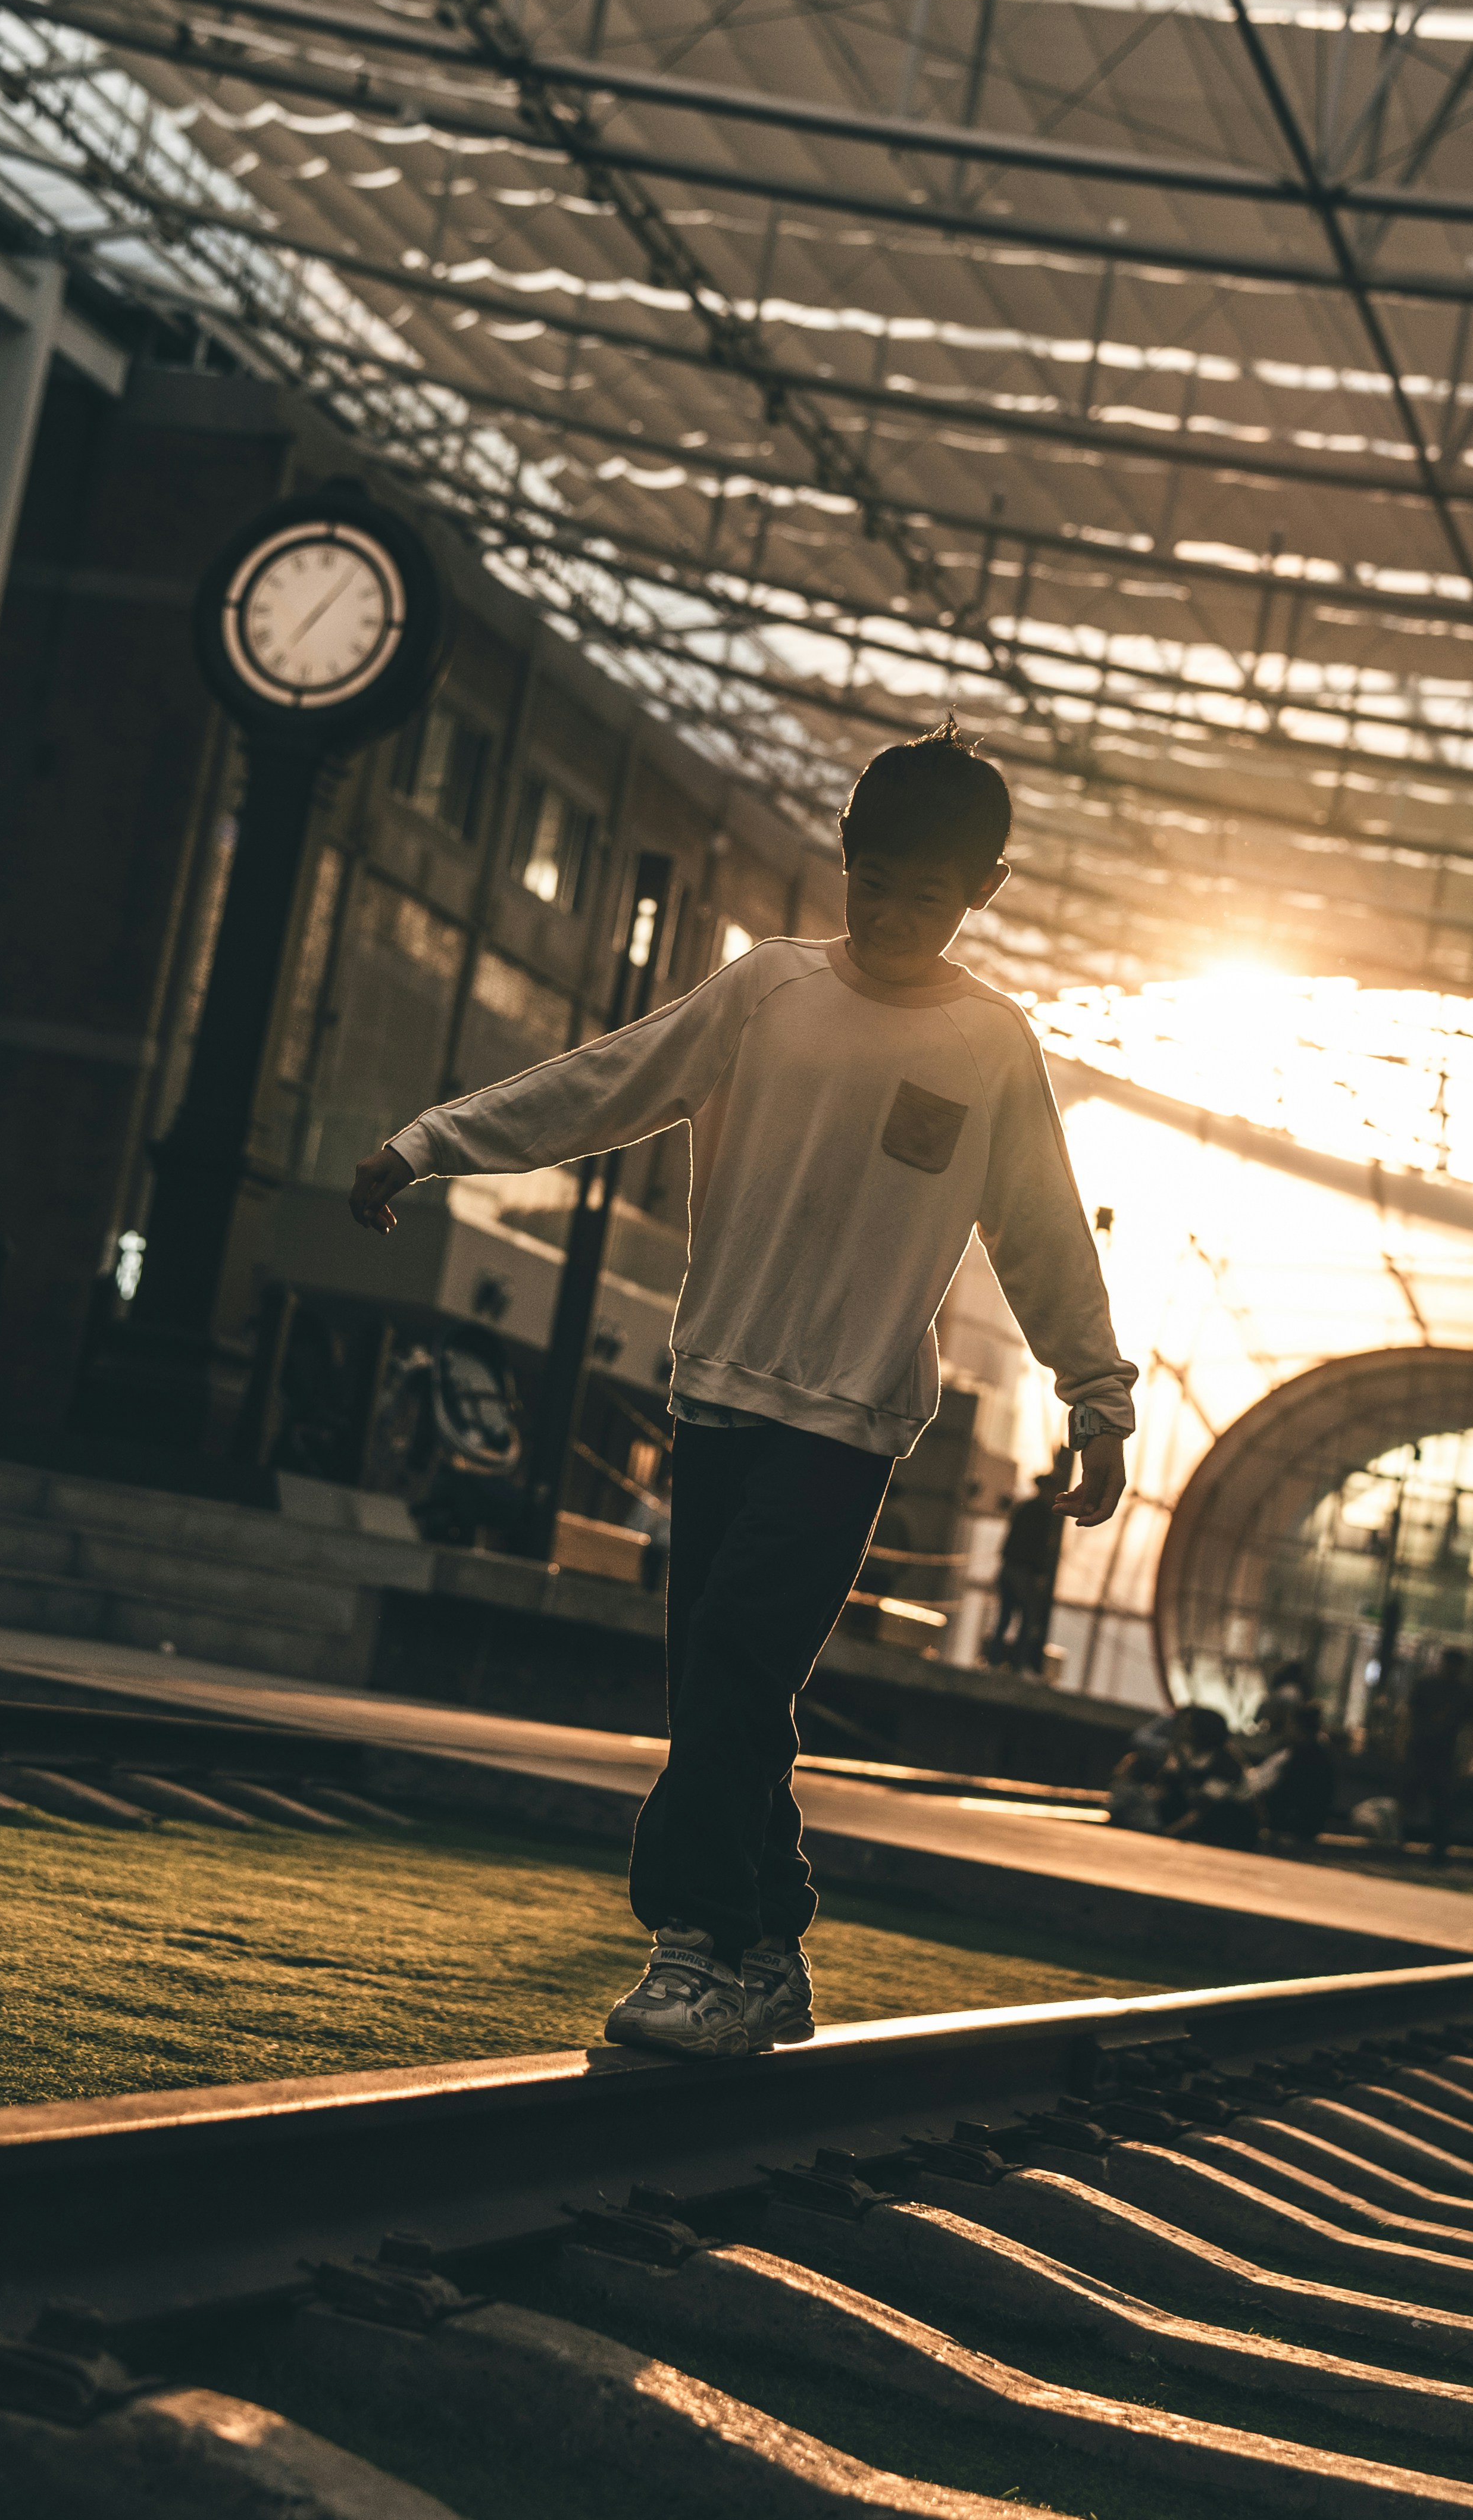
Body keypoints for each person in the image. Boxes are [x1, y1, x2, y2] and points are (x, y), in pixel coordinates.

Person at [349, 719, 1136, 2056]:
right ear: (841, 854)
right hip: (714, 1396)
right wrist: (429, 1144)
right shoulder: (764, 988)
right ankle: (767, 1947)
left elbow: (1042, 1231)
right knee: (729, 1694)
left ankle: (691, 1942)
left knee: (727, 1665)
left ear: (981, 896)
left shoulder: (991, 1043)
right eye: (870, 879)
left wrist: (1096, 1396)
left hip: (847, 1423)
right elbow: (604, 1085)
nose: (891, 914)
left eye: (926, 895)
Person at [1402, 1647, 1473, 1865]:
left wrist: (1468, 1757)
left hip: (1441, 1753)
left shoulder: (1463, 1692)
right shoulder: (1428, 1686)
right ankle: (1406, 1840)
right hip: (1424, 1749)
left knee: (1441, 1801)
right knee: (1414, 1795)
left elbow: (1469, 1727)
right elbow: (1410, 1715)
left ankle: (1437, 1848)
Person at [986, 1471, 1062, 1674]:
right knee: (1028, 1619)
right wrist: (1040, 1573)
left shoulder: (1024, 1507)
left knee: (1004, 1617)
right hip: (1025, 1572)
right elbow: (1040, 1547)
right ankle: (1017, 1666)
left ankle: (994, 1660)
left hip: (1009, 1567)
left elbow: (1010, 1539)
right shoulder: (1045, 1513)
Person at [1160, 1706, 1259, 1852]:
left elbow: (1203, 1808)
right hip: (1194, 1811)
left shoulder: (1226, 1763)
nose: (1181, 1727)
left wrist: (1165, 1833)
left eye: (1188, 1724)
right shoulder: (1183, 1752)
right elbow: (1165, 1787)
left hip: (1229, 1823)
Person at [1249, 1700, 1336, 1847]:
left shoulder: (1299, 1755)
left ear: (1297, 1727)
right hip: (1305, 1822)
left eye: (1289, 1724)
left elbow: (1271, 1788)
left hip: (1291, 1823)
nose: (1286, 1729)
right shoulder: (1317, 1753)